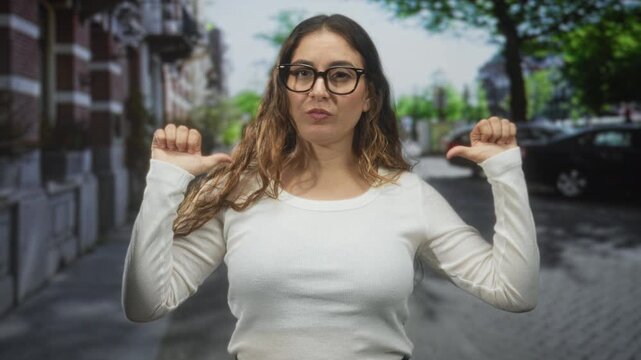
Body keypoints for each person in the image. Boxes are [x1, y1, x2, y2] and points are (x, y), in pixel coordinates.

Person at [122, 14, 539, 360]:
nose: (318, 90)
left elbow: (513, 290)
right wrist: (164, 181)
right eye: (302, 73)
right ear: (283, 89)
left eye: (340, 76)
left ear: (370, 97)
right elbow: (146, 304)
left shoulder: (409, 195)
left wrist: (505, 173)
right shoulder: (239, 191)